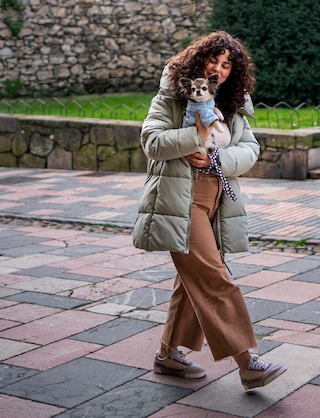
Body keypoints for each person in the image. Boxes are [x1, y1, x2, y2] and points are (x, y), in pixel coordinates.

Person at [132, 31, 286, 391]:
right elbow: (151, 142)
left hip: (217, 199)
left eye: (227, 65)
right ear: (197, 61)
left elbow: (250, 150)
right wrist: (195, 137)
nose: (218, 68)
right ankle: (248, 363)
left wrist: (217, 156)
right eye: (213, 61)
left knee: (193, 282)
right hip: (179, 200)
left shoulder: (232, 102)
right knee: (214, 277)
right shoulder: (171, 94)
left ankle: (168, 355)